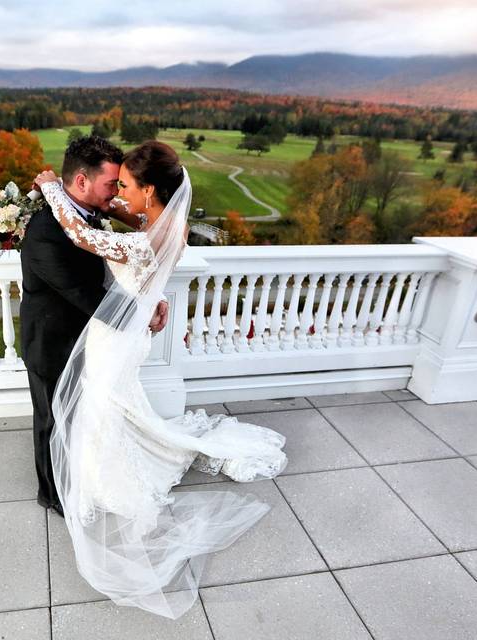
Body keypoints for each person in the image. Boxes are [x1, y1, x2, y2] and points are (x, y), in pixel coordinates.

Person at [32, 140, 288, 619]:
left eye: (126, 186)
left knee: (103, 402)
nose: (119, 194)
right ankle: (103, 463)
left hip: (116, 339)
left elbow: (81, 236)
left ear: (149, 189)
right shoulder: (168, 224)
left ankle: (102, 478)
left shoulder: (144, 238)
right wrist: (153, 297)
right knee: (110, 401)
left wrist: (51, 189)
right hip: (131, 331)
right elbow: (137, 239)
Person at [19, 136, 168, 518]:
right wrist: (142, 311)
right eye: (110, 185)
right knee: (52, 419)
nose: (115, 194)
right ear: (81, 182)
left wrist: (149, 300)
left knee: (82, 416)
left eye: (121, 185)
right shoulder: (46, 230)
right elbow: (84, 293)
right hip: (51, 340)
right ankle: (52, 494)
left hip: (90, 338)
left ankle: (83, 477)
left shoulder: (89, 214)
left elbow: (105, 272)